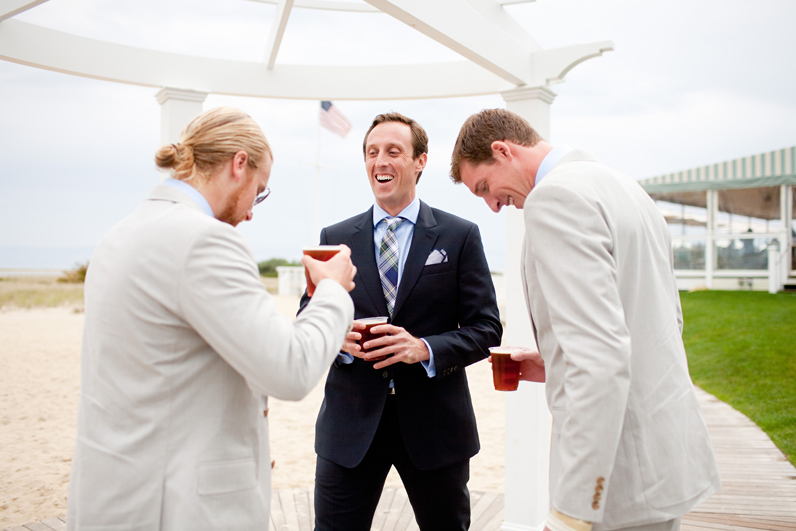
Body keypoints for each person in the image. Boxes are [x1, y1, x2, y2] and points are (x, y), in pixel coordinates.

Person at [66, 107, 357, 531]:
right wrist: (333, 290)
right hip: (178, 507)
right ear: (239, 164)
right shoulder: (205, 241)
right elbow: (290, 370)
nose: (253, 213)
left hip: (113, 497)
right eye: (260, 191)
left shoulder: (118, 236)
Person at [450, 109, 720, 531]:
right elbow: (663, 321)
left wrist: (571, 514)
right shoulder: (625, 187)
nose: (493, 206)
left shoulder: (554, 199)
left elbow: (600, 360)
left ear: (503, 150)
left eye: (485, 187)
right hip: (665, 460)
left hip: (618, 478)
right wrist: (554, 359)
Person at [300, 112, 502, 531]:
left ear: (420, 161)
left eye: (394, 151)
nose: (381, 161)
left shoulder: (459, 235)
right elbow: (307, 317)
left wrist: (424, 349)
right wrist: (338, 337)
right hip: (349, 426)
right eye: (372, 153)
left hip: (435, 427)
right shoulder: (335, 238)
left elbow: (487, 329)